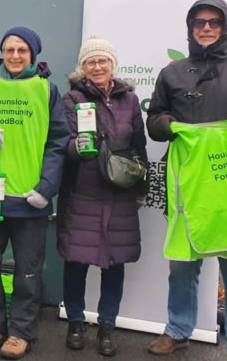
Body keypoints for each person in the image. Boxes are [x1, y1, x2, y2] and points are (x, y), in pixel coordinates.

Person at [146, 0, 227, 360]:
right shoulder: (173, 73)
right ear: (190, 28)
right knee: (182, 264)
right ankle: (178, 330)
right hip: (187, 183)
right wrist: (162, 125)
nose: (206, 27)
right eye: (199, 22)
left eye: (213, 22)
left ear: (225, 27)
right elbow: (154, 118)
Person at [0, 27, 70, 359]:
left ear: (33, 55)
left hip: (29, 197)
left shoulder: (46, 91)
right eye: (10, 49)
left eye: (22, 50)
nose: (16, 56)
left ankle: (21, 332)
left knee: (28, 270)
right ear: (2, 52)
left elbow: (57, 142)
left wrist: (46, 188)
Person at [57, 37, 148, 357]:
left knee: (114, 263)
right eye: (91, 61)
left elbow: (139, 145)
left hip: (119, 192)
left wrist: (141, 184)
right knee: (76, 262)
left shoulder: (130, 100)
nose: (97, 66)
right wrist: (76, 148)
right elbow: (62, 145)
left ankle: (107, 327)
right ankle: (76, 323)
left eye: (103, 61)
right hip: (82, 191)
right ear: (82, 67)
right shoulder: (72, 98)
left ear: (113, 65)